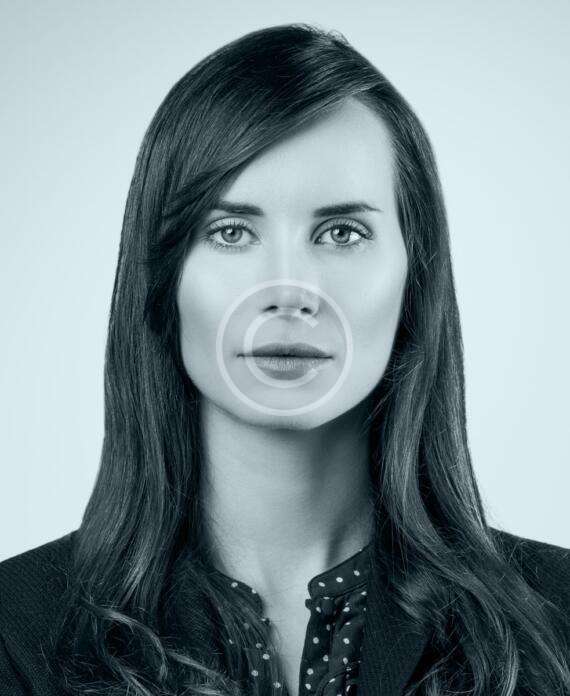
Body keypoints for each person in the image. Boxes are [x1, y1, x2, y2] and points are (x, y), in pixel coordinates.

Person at [0, 22, 569, 696]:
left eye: (342, 232)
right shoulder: (15, 632)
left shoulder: (557, 622)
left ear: (414, 278)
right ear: (164, 279)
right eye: (231, 231)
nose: (288, 289)